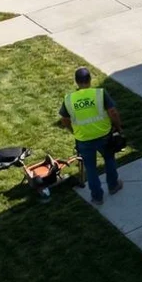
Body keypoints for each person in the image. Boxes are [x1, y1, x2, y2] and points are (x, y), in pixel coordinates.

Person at [59, 66, 124, 204]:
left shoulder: (69, 99)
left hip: (83, 139)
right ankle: (113, 186)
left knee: (91, 168)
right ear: (90, 79)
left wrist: (73, 130)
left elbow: (64, 119)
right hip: (104, 136)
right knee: (109, 160)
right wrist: (118, 127)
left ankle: (97, 197)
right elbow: (113, 112)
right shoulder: (100, 93)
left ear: (76, 81)